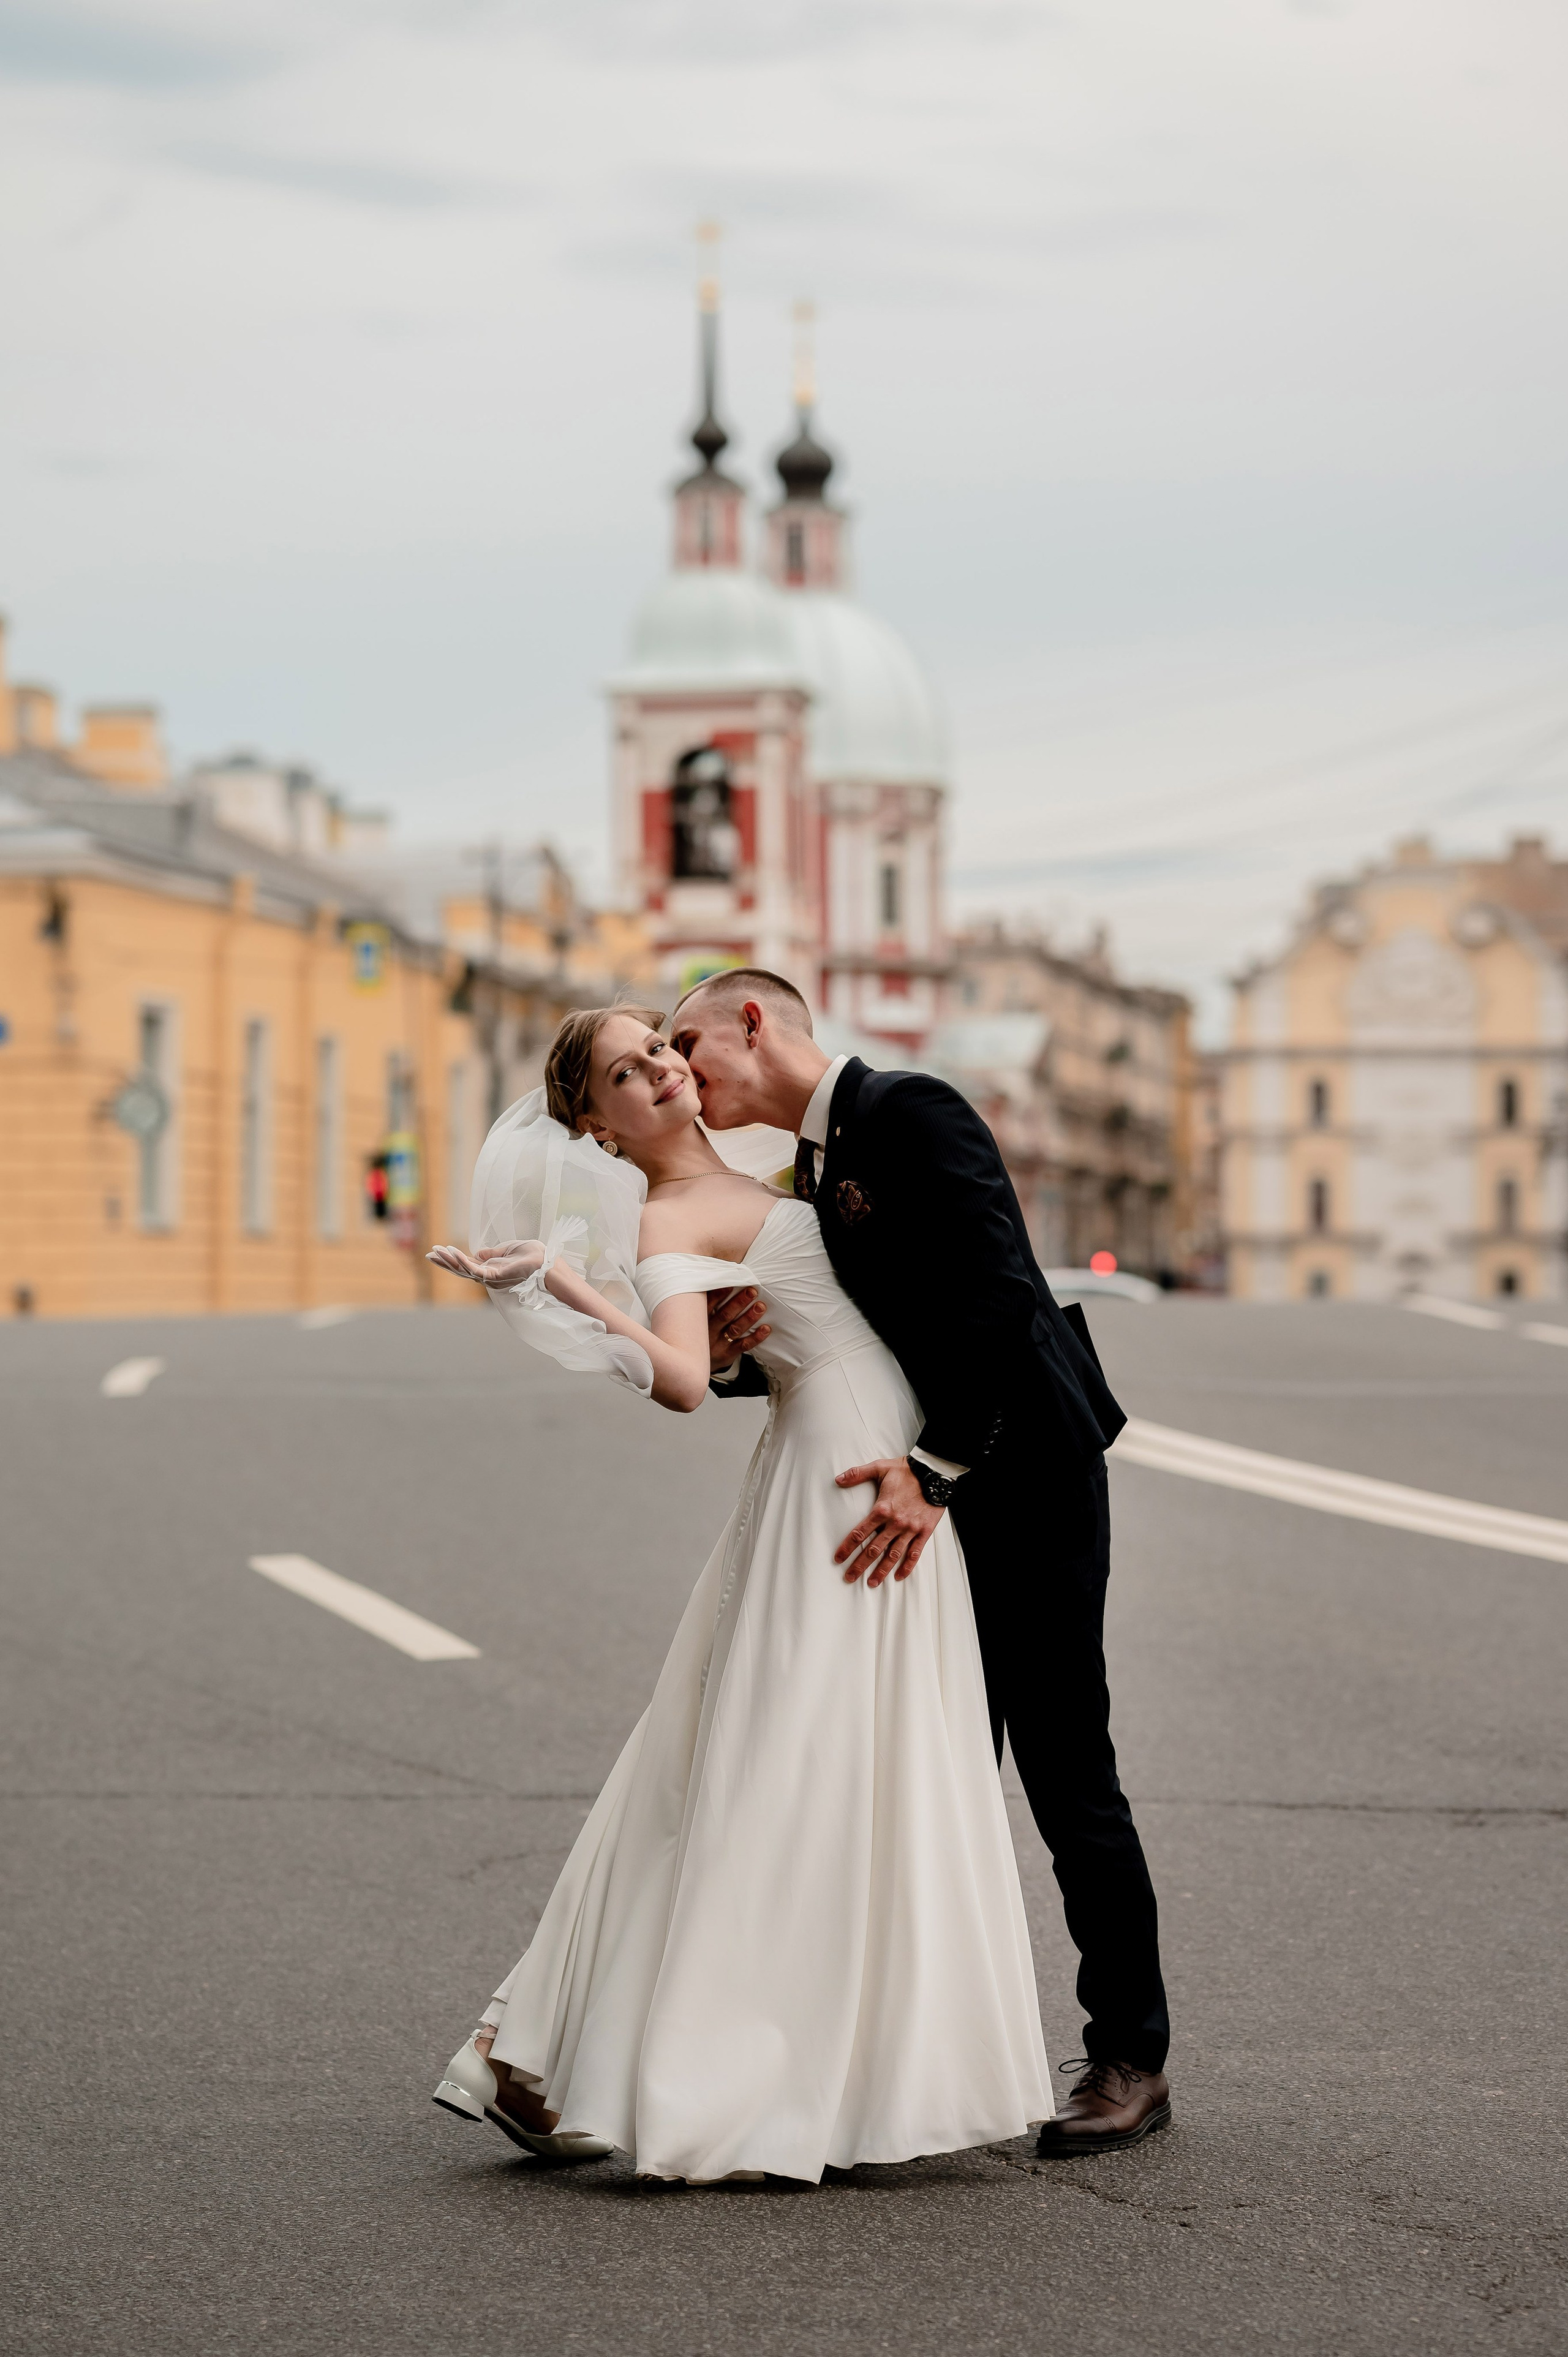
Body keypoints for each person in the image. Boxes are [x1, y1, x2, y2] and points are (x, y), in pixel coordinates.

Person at [426, 1003, 1051, 2185]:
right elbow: (674, 1380)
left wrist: (736, 1349)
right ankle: (757, 2076)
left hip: (864, 1448)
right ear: (595, 1126)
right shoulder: (671, 1215)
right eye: (625, 1071)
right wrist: (571, 1281)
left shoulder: (770, 1168)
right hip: (844, 1478)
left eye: (658, 1050)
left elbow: (754, 1341)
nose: (659, 1070)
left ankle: (779, 2062)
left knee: (830, 1758)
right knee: (803, 1765)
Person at [669, 969, 1171, 2157]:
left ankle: (1131, 2056)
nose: (681, 1076)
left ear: (754, 1020)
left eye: (688, 1043)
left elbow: (998, 1294)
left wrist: (938, 1465)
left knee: (1060, 1761)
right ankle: (898, 2063)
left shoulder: (911, 1108)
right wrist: (746, 1347)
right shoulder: (811, 1162)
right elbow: (846, 1345)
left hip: (1023, 1475)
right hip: (921, 1487)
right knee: (918, 1769)